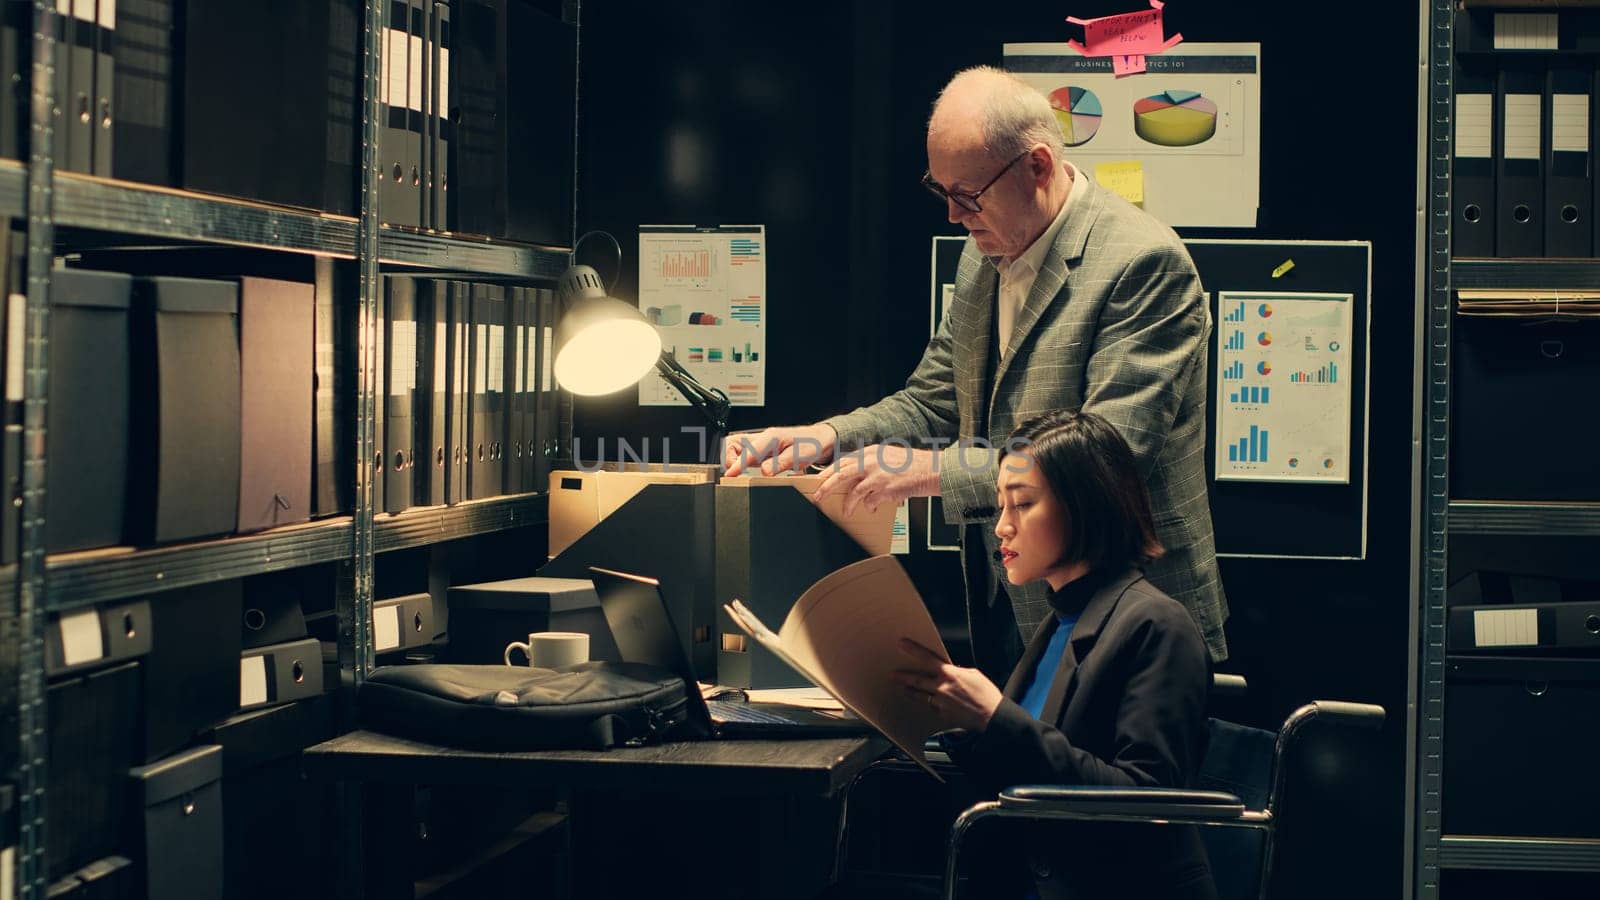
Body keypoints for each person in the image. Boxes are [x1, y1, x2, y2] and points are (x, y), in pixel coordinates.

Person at [722, 66, 1228, 678]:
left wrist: (930, 472)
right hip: (1012, 610)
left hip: (1127, 622)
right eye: (942, 193)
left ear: (1037, 166)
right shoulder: (983, 253)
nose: (955, 218)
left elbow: (1103, 458)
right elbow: (933, 400)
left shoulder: (1143, 263)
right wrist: (822, 436)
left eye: (968, 195)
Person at [893, 410, 1215, 900]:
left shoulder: (1158, 624)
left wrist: (995, 717)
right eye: (1000, 505)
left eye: (1021, 504)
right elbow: (1032, 762)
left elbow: (1145, 803)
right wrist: (964, 726)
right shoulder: (1059, 622)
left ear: (1085, 505)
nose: (1001, 526)